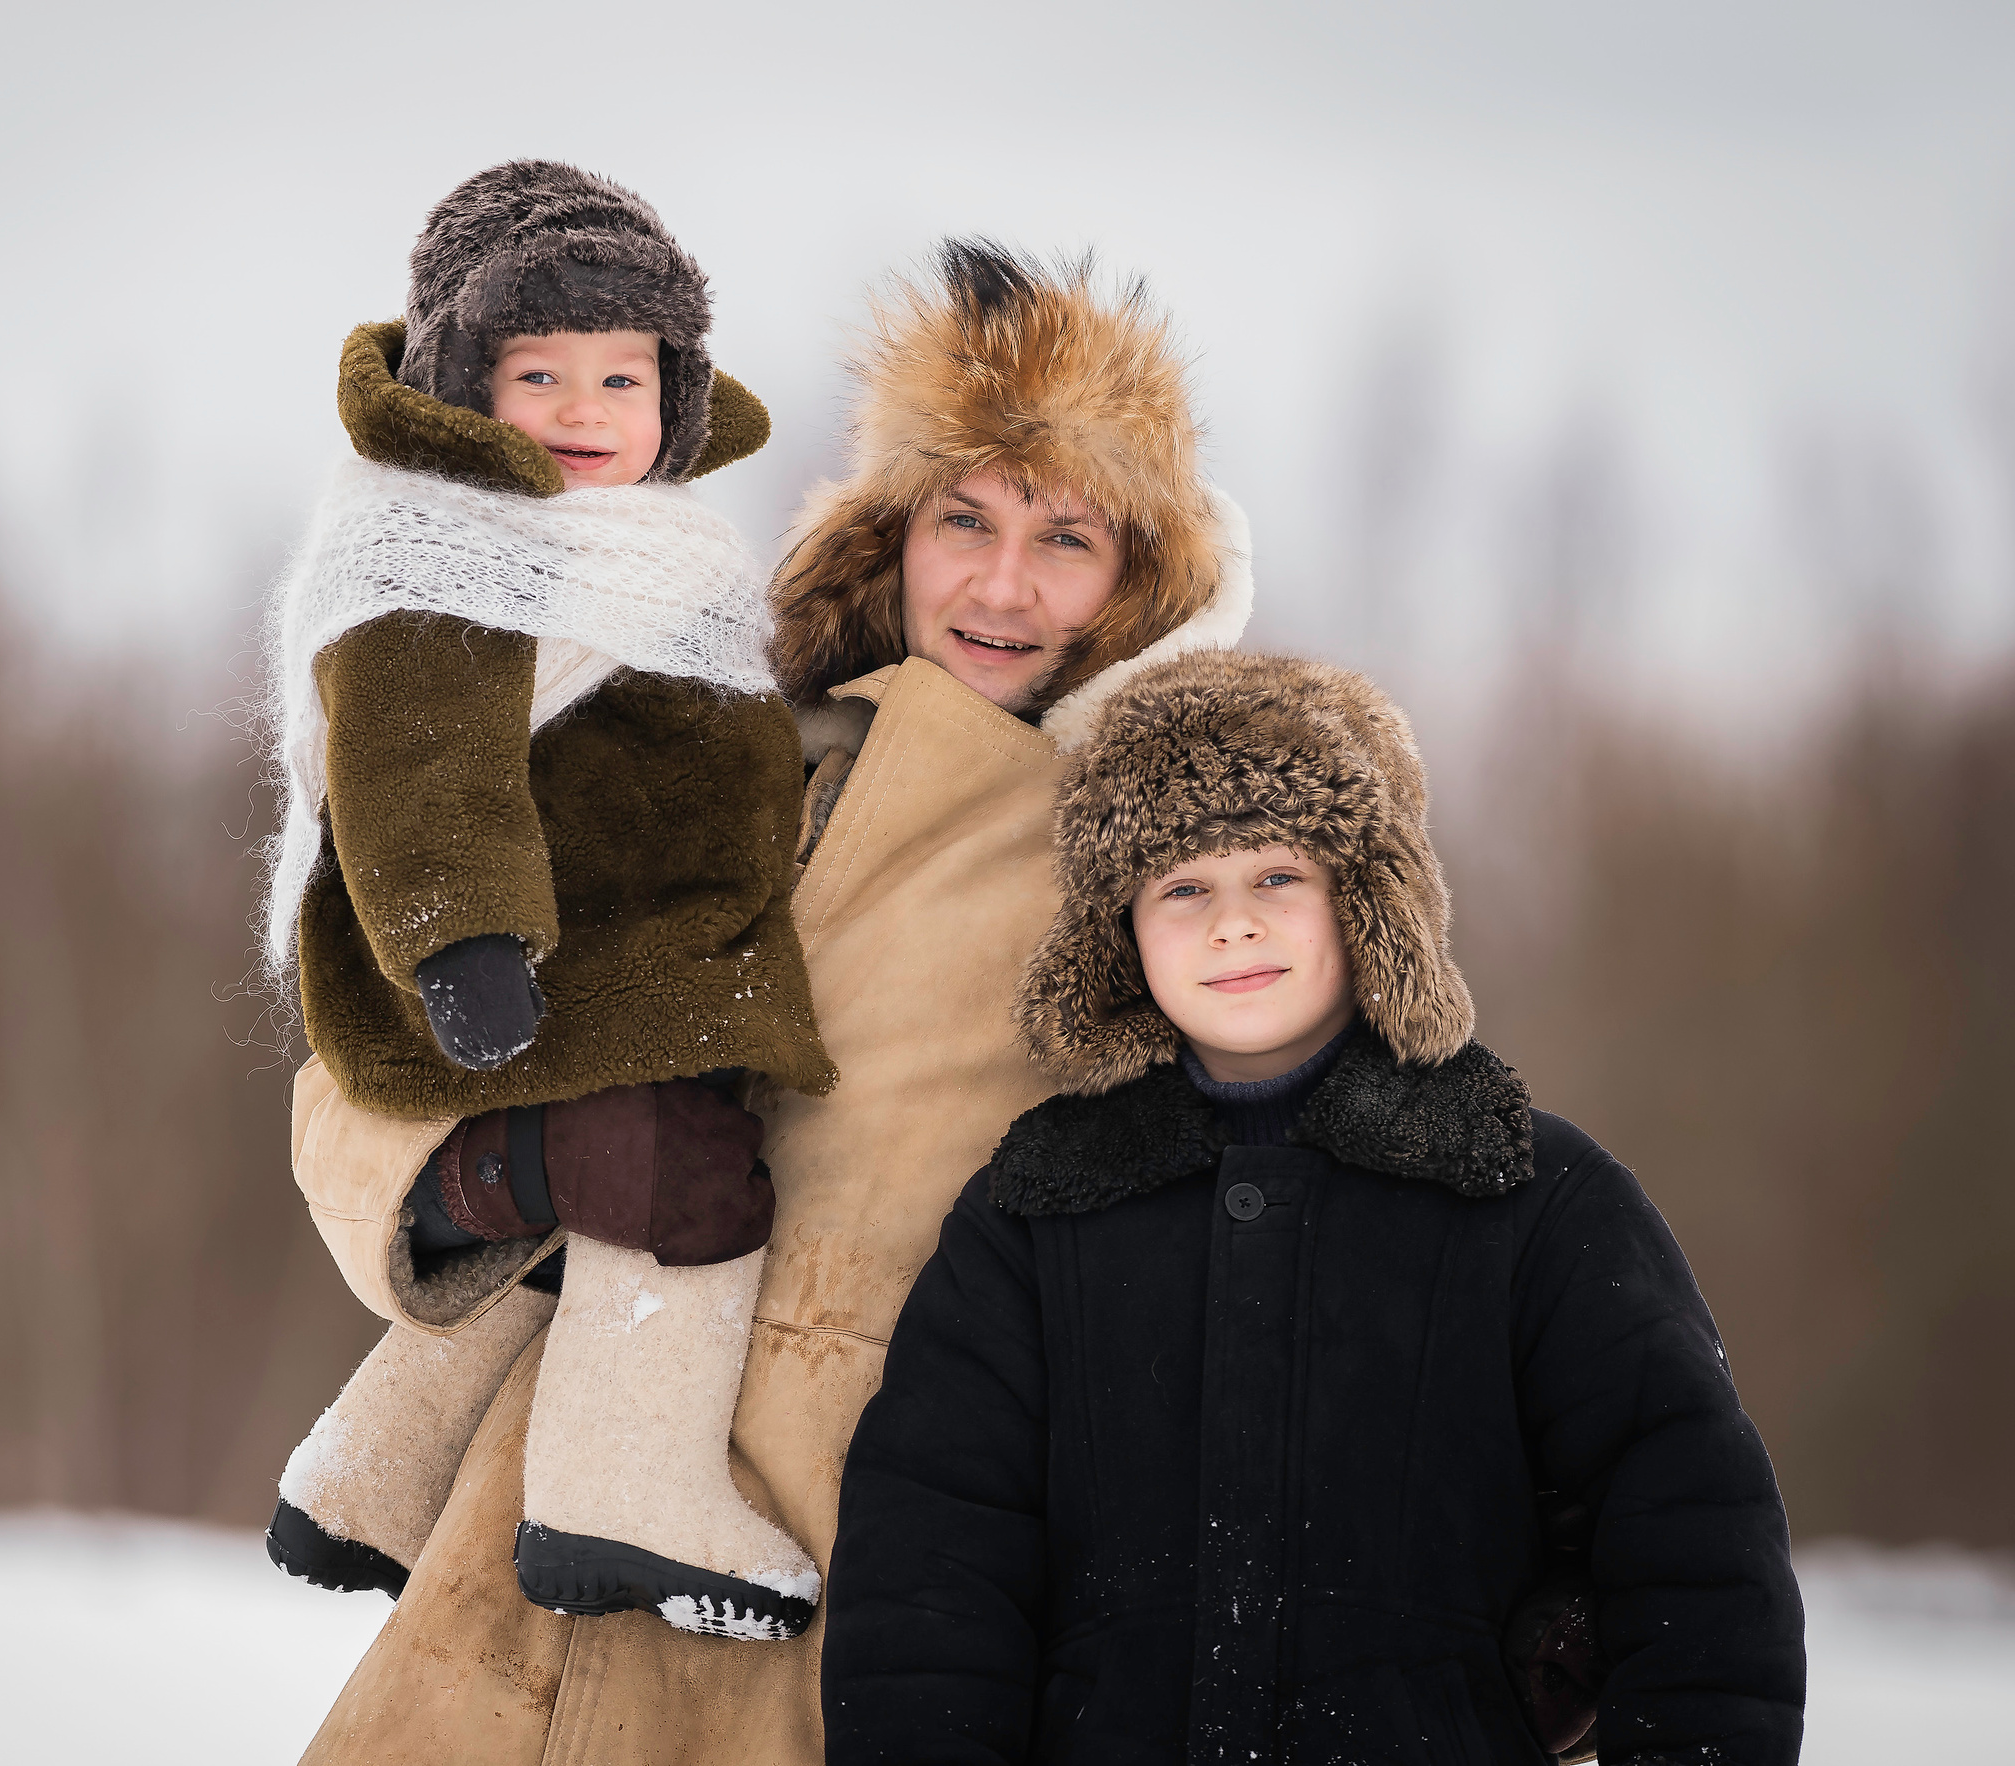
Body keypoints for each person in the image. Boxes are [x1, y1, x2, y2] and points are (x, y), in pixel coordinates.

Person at [280, 241, 1253, 1765]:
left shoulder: (1168, 870)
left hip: (860, 1633)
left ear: (1144, 573)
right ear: (892, 535)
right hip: (505, 1616)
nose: (1003, 583)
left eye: (1068, 535)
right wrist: (515, 1165)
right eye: (965, 519)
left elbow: (1304, 1232)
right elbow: (364, 1051)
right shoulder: (711, 736)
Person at [821, 650, 1808, 1765]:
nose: (1231, 924)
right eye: (1181, 886)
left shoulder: (1531, 1190)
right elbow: (927, 1571)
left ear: (1368, 901)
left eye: (1277, 877)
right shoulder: (1032, 1212)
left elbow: (1692, 1530)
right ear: (1116, 934)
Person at [260, 159, 836, 1636]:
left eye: (621, 375)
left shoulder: (669, 558)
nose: (585, 409)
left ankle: (367, 1477)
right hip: (522, 978)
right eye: (539, 371)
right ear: (463, 381)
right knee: (686, 1183)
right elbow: (420, 758)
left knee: (581, 1217)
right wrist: (465, 936)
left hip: (623, 968)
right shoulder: (447, 550)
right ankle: (622, 1493)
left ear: (679, 396)